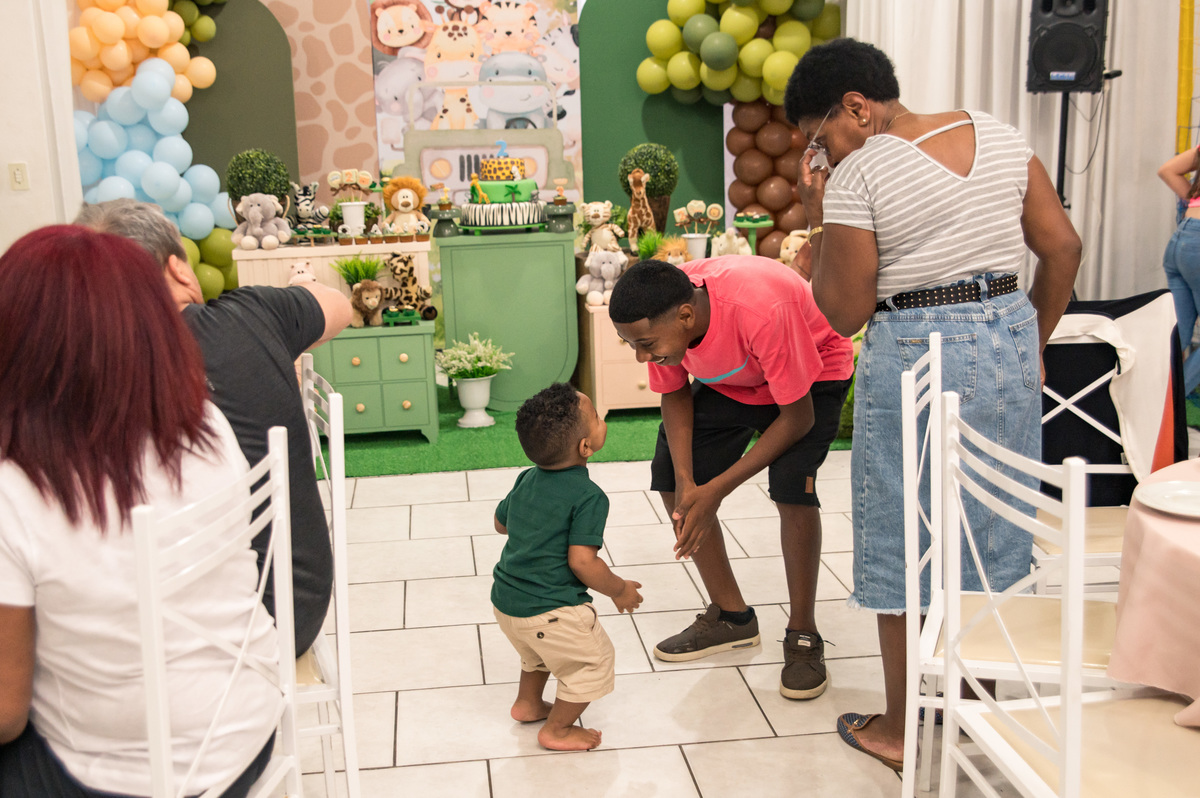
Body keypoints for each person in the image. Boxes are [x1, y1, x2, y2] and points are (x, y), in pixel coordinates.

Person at [785, 38, 1081, 770]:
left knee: (905, 535)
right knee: (993, 522)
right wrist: (1030, 338)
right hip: (1007, 328)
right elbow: (1063, 246)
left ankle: (903, 726)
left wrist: (818, 211)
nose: (819, 158)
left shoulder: (861, 172)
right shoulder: (1005, 136)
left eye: (819, 142)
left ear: (857, 108)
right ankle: (975, 700)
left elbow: (846, 313)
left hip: (919, 348)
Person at [0, 226, 280, 797]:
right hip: (247, 730)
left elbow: (7, 711)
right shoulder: (205, 426)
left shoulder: (15, 488)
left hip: (119, 774)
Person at [74, 199, 352, 655]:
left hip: (142, 640)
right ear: (181, 270)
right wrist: (292, 310)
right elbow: (337, 306)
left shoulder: (79, 373)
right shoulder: (250, 316)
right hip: (287, 611)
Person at [607, 257, 854, 700]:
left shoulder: (760, 308)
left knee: (792, 489)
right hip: (737, 380)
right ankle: (732, 618)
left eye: (645, 344)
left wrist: (717, 490)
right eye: (631, 346)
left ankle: (803, 633)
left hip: (811, 375)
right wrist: (687, 481)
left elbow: (798, 417)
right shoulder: (665, 306)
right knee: (668, 476)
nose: (642, 356)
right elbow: (674, 392)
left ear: (687, 316)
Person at [491, 383, 644, 751]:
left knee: (537, 653)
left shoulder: (527, 478)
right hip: (550, 610)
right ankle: (557, 729)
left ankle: (528, 704)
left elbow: (501, 523)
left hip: (506, 602)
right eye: (596, 417)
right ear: (585, 447)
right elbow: (582, 562)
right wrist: (619, 588)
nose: (601, 419)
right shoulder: (589, 496)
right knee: (592, 662)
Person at [1157, 147, 1200, 395]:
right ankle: (1170, 405)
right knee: (1177, 336)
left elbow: (1167, 170)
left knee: (1176, 336)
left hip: (1181, 240)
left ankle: (1149, 404)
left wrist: (1193, 198)